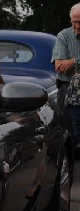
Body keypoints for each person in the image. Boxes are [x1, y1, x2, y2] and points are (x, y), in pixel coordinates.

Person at [52, 3, 80, 145]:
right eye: (74, 21)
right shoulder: (63, 35)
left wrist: (74, 62)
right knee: (68, 131)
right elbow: (60, 66)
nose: (77, 25)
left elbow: (69, 65)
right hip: (68, 89)